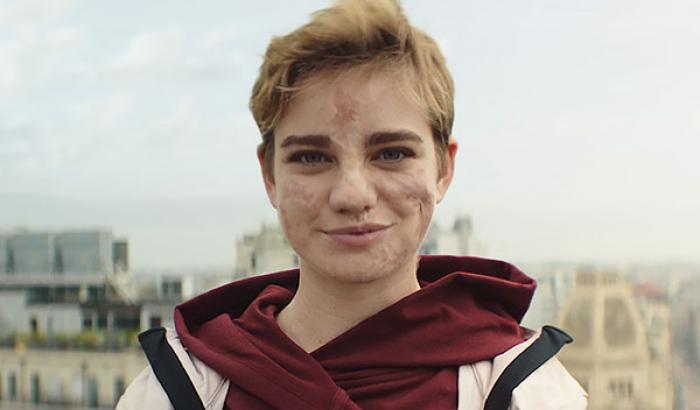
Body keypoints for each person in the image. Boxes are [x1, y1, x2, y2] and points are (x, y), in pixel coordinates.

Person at [117, 0, 587, 409]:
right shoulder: (179, 391)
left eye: (392, 153)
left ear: (444, 168)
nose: (352, 195)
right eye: (311, 157)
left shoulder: (525, 392)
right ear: (269, 175)